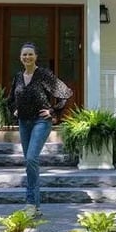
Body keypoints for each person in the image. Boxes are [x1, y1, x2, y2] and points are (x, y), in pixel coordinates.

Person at [6, 42, 72, 215]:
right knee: (30, 163)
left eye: (30, 54)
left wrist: (52, 110)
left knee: (31, 159)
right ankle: (35, 207)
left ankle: (30, 203)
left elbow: (65, 93)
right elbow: (10, 99)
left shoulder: (43, 74)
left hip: (40, 122)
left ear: (36, 57)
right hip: (23, 122)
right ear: (20, 57)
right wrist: (15, 109)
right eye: (24, 55)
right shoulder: (18, 76)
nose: (27, 57)